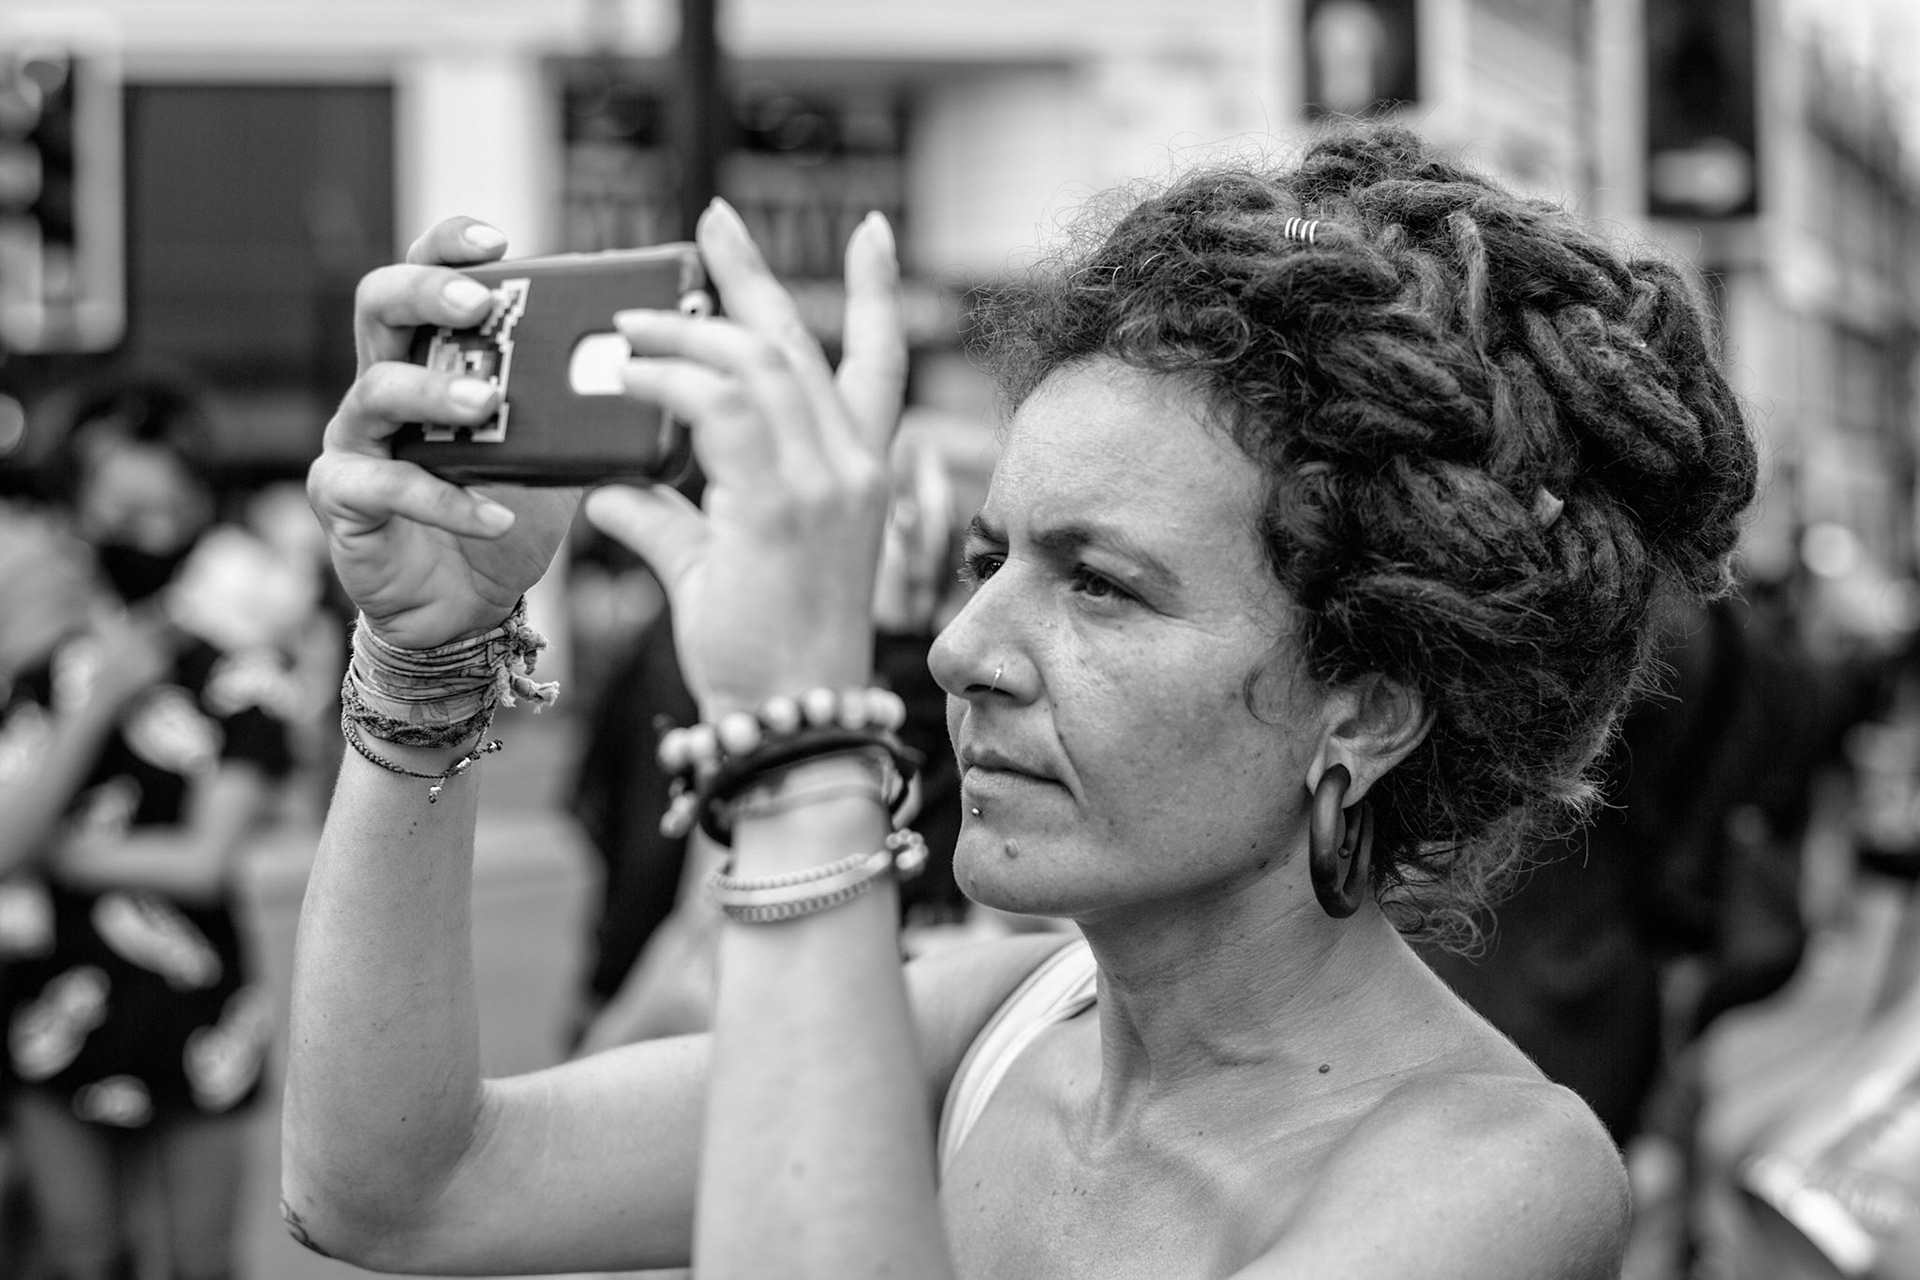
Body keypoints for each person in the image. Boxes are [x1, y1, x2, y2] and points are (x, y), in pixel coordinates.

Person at [284, 122, 1757, 1278]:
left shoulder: (1494, 1181)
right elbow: (397, 1187)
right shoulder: (1001, 1015)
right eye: (990, 557)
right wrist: (429, 649)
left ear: (1365, 708)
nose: (958, 646)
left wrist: (802, 754)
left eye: (1099, 584)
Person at [0, 377, 299, 1280]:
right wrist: (94, 710)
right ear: (79, 510)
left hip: (197, 1007)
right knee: (79, 1250)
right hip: (53, 1001)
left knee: (201, 1259)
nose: (149, 531)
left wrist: (64, 851)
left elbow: (206, 862)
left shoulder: (242, 678)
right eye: (123, 507)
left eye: (170, 506)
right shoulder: (45, 677)